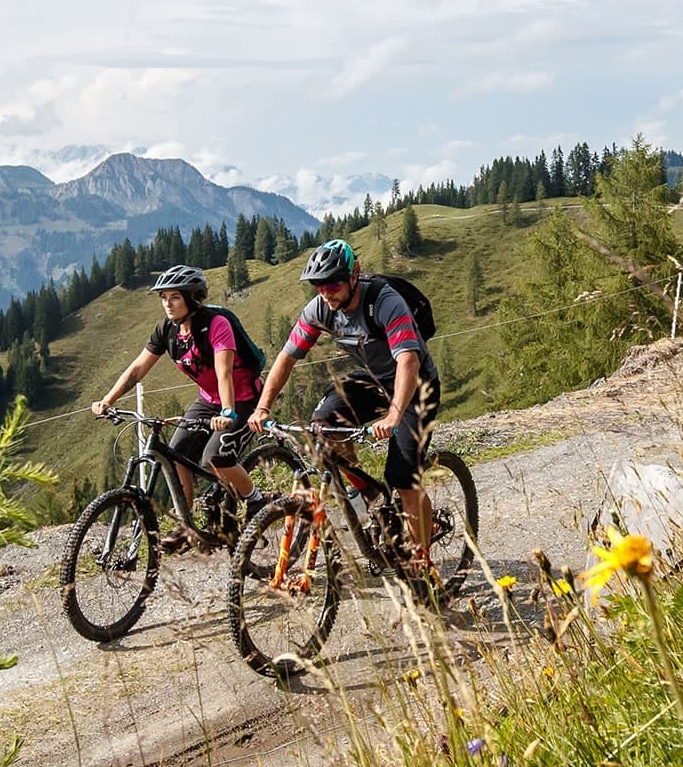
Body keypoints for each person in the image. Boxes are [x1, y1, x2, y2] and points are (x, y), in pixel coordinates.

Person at [248, 239, 440, 567]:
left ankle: (424, 572)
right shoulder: (320, 308)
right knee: (321, 428)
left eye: (333, 283)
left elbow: (408, 361)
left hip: (416, 385)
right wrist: (262, 407)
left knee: (403, 476)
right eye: (319, 286)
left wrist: (394, 416)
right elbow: (287, 357)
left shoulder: (384, 302)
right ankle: (370, 494)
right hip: (371, 381)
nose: (326, 292)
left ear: (354, 276)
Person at [91, 264, 267, 552]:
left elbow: (224, 373)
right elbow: (137, 369)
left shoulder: (216, 324)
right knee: (176, 454)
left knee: (216, 456)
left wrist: (227, 413)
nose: (167, 304)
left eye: (174, 297)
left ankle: (257, 500)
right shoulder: (167, 329)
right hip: (208, 399)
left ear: (192, 297)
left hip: (243, 398)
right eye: (163, 297)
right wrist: (108, 400)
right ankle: (186, 526)